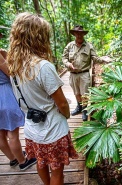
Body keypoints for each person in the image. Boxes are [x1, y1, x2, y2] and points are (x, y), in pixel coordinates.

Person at [7, 12, 78, 185]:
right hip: (53, 130)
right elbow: (62, 103)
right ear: (39, 37)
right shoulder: (43, 67)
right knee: (57, 172)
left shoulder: (14, 65)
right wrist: (67, 114)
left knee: (40, 163)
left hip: (32, 130)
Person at [0, 33, 37, 171]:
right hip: (4, 95)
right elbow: (11, 72)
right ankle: (23, 162)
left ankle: (13, 158)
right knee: (12, 133)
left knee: (0, 133)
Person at [62, 25, 112, 121]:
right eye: (77, 33)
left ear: (83, 34)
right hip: (72, 74)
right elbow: (64, 58)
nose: (79, 35)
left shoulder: (89, 46)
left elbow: (95, 58)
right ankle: (79, 107)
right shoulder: (69, 46)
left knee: (84, 94)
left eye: (81, 33)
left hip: (84, 74)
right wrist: (68, 64)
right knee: (76, 93)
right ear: (75, 34)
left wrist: (105, 60)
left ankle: (85, 110)